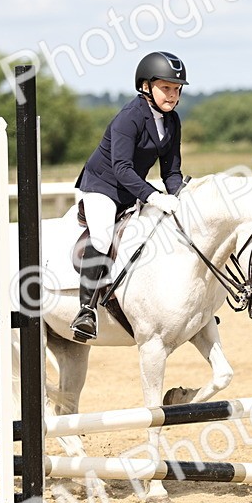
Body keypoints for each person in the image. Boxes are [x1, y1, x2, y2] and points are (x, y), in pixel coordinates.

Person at [69, 51, 188, 341]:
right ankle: (86, 310)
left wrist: (180, 197)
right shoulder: (129, 118)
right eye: (166, 88)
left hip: (133, 188)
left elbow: (171, 171)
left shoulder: (172, 122)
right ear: (146, 86)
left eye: (176, 89)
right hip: (102, 186)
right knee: (102, 236)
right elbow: (121, 169)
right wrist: (154, 197)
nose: (172, 96)